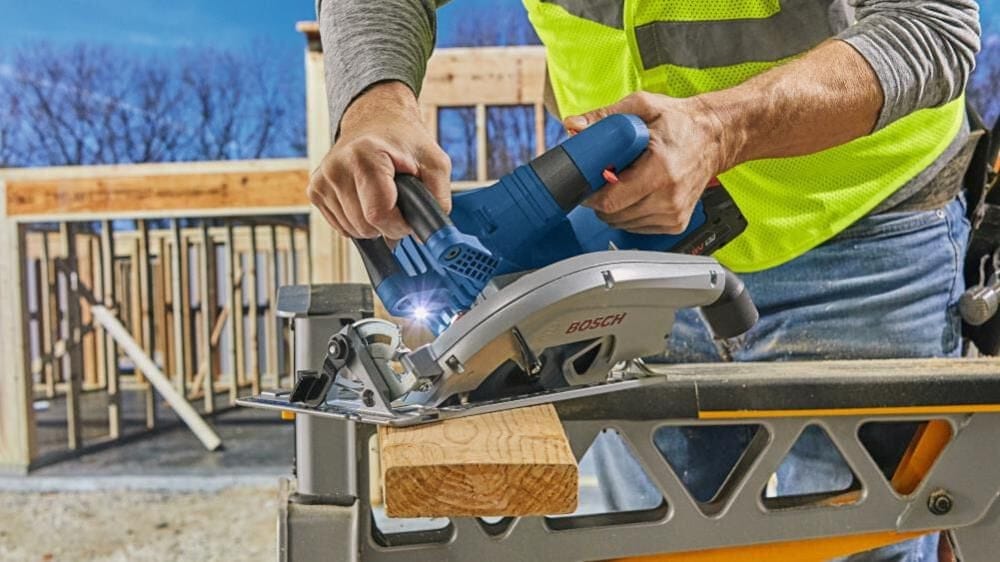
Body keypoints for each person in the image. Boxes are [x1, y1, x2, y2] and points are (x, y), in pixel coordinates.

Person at [309, 1, 982, 560]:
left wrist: (720, 128)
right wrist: (374, 102)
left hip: (864, 233)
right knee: (644, 536)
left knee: (857, 535)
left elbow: (933, 25)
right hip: (639, 250)